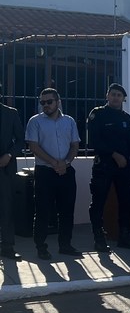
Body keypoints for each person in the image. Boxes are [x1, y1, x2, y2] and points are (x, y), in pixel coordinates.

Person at [25, 88, 81, 260]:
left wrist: (66, 162)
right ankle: (41, 247)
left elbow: (75, 145)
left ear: (58, 102)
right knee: (43, 211)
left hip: (66, 171)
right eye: (43, 102)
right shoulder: (35, 121)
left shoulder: (69, 121)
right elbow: (33, 146)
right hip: (45, 172)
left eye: (49, 102)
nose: (46, 105)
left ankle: (65, 245)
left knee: (67, 210)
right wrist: (54, 162)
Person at [88, 83, 130, 251]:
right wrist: (114, 154)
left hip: (124, 167)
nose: (116, 98)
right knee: (98, 202)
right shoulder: (97, 114)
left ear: (123, 99)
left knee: (126, 202)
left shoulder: (126, 118)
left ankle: (124, 236)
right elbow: (94, 141)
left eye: (119, 95)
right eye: (113, 94)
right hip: (104, 166)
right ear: (107, 96)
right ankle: (99, 238)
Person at [0, 99, 25, 260]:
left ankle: (7, 247)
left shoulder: (10, 113)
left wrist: (9, 155)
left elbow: (21, 140)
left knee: (6, 208)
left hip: (5, 168)